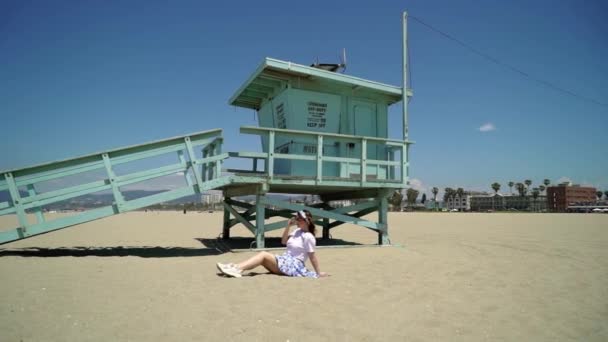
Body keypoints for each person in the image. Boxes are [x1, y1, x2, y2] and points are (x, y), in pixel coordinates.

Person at [216, 210, 329, 278]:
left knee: (264, 254)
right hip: (286, 260)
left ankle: (237, 269)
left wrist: (318, 273)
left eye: (298, 219)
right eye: (296, 218)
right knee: (263, 257)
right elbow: (283, 242)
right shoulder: (296, 231)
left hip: (294, 265)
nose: (296, 220)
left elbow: (312, 256)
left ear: (305, 221)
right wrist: (288, 226)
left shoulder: (308, 236)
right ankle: (236, 267)